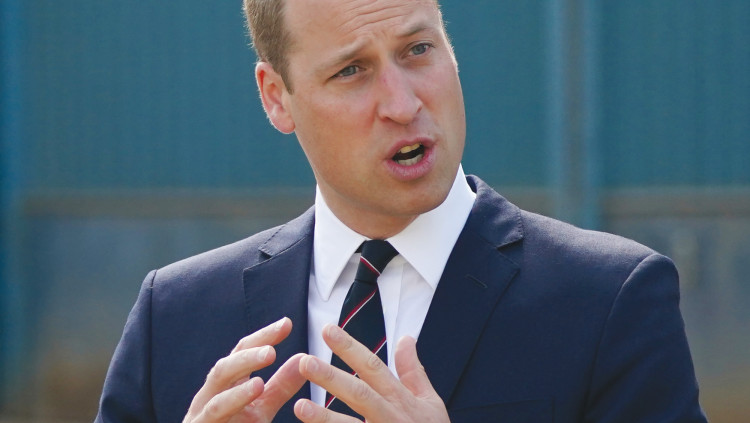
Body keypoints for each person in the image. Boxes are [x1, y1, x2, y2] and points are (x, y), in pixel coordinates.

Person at [96, 0, 707, 421]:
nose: (403, 102)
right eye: (352, 70)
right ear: (276, 98)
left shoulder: (609, 300)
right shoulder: (172, 318)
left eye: (417, 49)